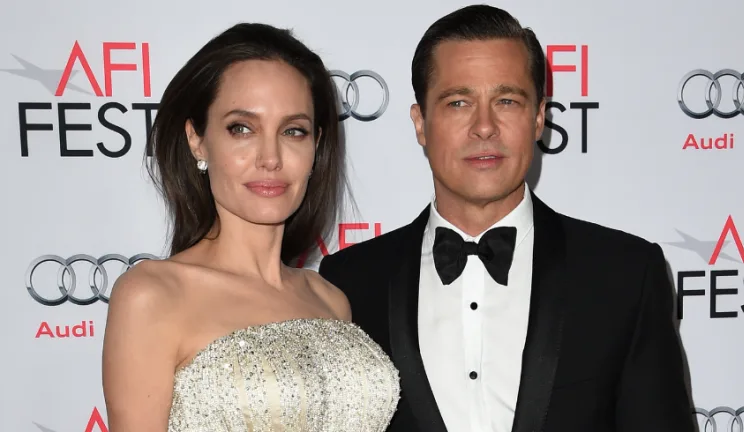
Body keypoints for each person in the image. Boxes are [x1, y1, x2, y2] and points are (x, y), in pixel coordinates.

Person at [318, 5, 694, 432]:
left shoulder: (626, 274)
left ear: (538, 118)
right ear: (421, 123)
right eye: (458, 102)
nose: (484, 127)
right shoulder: (348, 284)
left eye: (507, 101)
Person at [101, 23, 399, 432]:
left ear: (316, 146)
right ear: (197, 140)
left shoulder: (330, 300)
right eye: (242, 128)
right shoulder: (152, 296)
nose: (270, 158)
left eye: (293, 131)